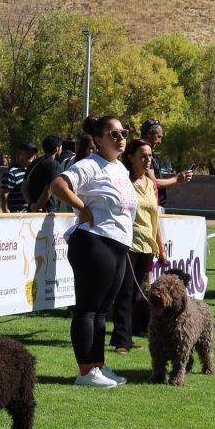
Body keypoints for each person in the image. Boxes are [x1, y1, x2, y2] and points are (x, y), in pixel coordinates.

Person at [45, 115, 136, 386]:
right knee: (88, 308)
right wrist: (82, 208)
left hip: (117, 244)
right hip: (94, 242)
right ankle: (85, 371)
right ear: (98, 140)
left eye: (124, 132)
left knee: (101, 311)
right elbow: (58, 185)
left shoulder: (119, 168)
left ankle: (97, 365)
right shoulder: (90, 165)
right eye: (114, 134)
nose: (121, 138)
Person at [110, 139, 165, 355]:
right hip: (127, 243)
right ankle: (122, 342)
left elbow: (155, 219)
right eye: (143, 155)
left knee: (136, 293)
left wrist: (160, 247)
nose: (148, 159)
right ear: (131, 157)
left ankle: (124, 334)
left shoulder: (151, 184)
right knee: (125, 292)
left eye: (150, 155)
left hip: (146, 245)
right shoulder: (123, 181)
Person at [24, 137, 67, 214]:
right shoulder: (55, 166)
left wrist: (31, 205)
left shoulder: (34, 163)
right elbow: (48, 190)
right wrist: (37, 207)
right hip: (45, 213)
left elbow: (24, 187)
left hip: (31, 212)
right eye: (61, 147)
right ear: (57, 149)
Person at [2, 143, 35, 212]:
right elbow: (4, 194)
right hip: (16, 214)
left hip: (30, 214)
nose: (31, 154)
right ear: (20, 153)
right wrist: (6, 211)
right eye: (28, 152)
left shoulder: (32, 171)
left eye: (33, 152)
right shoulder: (11, 172)